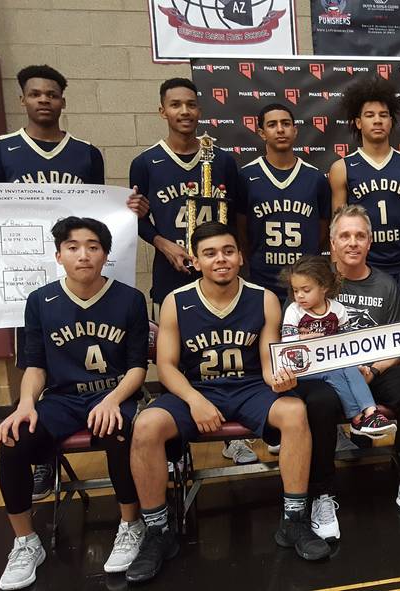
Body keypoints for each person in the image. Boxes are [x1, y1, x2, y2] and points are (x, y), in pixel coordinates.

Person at [0, 65, 150, 501]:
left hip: (75, 262)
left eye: (52, 94)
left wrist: (126, 208)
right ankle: (42, 454)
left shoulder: (86, 153)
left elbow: (96, 214)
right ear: (23, 100)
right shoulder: (0, 151)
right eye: (35, 94)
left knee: (96, 352)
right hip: (24, 268)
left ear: (62, 101)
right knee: (40, 358)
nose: (43, 101)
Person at [125, 222, 330, 583]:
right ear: (196, 260)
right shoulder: (177, 301)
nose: (221, 259)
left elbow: (268, 363)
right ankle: (158, 532)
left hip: (250, 387)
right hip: (197, 390)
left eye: (228, 251)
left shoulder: (263, 298)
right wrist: (194, 400)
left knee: (295, 411)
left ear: (239, 256)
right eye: (210, 253)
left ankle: (294, 521)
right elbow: (167, 367)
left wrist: (282, 378)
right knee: (145, 426)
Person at [0, 217, 148, 589]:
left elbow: (137, 368)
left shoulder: (130, 299)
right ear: (59, 254)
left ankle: (131, 524)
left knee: (117, 432)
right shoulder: (40, 301)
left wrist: (112, 400)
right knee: (12, 440)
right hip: (63, 399)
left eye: (93, 247)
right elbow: (35, 366)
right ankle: (26, 542)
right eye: (73, 247)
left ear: (105, 254)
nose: (84, 254)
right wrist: (26, 404)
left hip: (115, 392)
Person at [296, 204, 400, 540]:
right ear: (331, 243)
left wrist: (373, 368)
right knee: (319, 402)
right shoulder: (315, 283)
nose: (353, 242)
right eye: (345, 235)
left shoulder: (386, 285)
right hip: (329, 373)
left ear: (370, 242)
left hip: (377, 369)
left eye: (360, 235)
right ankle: (322, 493)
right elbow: (297, 337)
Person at [132, 78, 253, 463]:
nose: (184, 111)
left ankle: (234, 436)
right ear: (162, 110)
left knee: (228, 350)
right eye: (175, 105)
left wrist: (234, 258)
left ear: (200, 110)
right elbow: (134, 219)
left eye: (190, 104)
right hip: (171, 275)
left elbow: (237, 214)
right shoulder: (146, 161)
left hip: (219, 273)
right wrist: (162, 242)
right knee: (174, 358)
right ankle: (177, 441)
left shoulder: (220, 160)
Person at [330, 76, 400, 299]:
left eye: (383, 115)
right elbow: (337, 228)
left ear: (391, 122)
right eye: (370, 115)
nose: (377, 120)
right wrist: (336, 271)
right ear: (358, 123)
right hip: (362, 268)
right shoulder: (343, 168)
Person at [280, 256, 396, 439]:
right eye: (295, 290)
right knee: (335, 371)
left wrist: (358, 365)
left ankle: (369, 415)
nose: (299, 295)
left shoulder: (338, 309)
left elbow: (347, 343)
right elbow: (287, 344)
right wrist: (307, 337)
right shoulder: (294, 311)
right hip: (304, 367)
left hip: (332, 361)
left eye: (306, 290)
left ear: (324, 287)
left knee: (349, 368)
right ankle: (358, 419)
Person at [239, 103, 331, 302]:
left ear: (295, 130)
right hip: (261, 282)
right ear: (262, 133)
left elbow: (322, 231)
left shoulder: (316, 179)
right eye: (272, 125)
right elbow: (241, 230)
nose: (280, 129)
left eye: (286, 123)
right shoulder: (246, 176)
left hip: (306, 284)